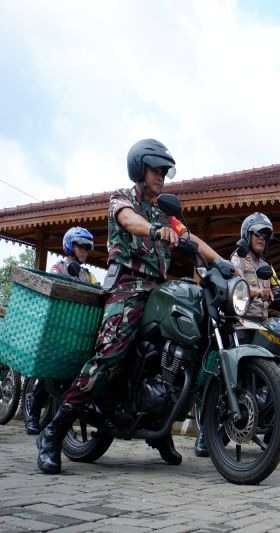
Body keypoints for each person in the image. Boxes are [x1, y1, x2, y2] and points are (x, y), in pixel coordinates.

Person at [37, 139, 223, 475]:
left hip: (158, 289)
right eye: (156, 170)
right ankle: (54, 432)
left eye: (165, 172)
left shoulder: (167, 210)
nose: (161, 177)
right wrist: (154, 230)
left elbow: (189, 238)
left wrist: (223, 263)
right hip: (127, 285)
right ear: (140, 169)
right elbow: (128, 221)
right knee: (111, 354)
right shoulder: (123, 198)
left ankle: (159, 425)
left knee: (191, 343)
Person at [195, 211, 280, 457]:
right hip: (238, 324)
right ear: (247, 234)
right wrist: (256, 292)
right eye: (259, 233)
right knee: (223, 375)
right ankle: (206, 434)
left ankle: (275, 430)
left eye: (266, 234)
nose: (263, 238)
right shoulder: (238, 259)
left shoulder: (267, 267)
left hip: (261, 326)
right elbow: (237, 286)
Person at [25, 228, 98, 435]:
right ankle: (32, 415)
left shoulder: (88, 275)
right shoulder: (58, 268)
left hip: (77, 331)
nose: (85, 251)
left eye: (87, 247)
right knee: (47, 373)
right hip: (57, 328)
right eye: (81, 246)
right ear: (70, 246)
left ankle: (58, 420)